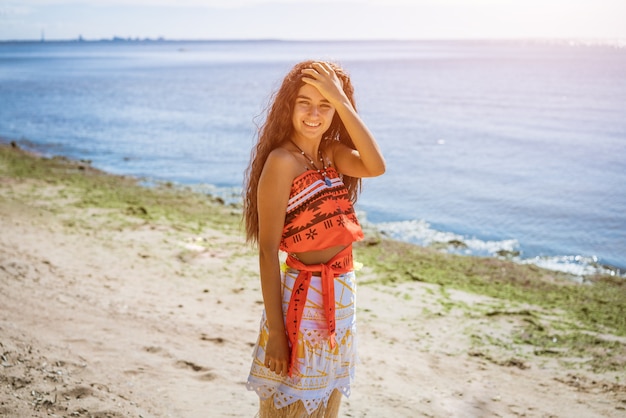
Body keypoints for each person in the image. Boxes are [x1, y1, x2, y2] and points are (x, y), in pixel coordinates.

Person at [243, 60, 385, 417]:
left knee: (324, 407)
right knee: (292, 407)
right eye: (304, 102)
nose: (314, 113)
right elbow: (266, 252)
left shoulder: (330, 154)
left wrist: (341, 99)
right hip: (303, 303)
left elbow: (376, 165)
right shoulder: (281, 161)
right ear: (288, 106)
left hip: (342, 295)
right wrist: (276, 332)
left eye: (325, 104)